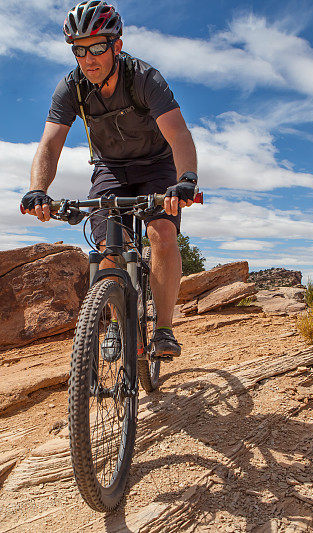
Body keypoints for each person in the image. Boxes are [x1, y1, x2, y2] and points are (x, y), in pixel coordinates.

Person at [21, 0, 198, 359]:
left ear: (116, 45)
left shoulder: (145, 79)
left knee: (161, 234)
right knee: (108, 251)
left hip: (157, 166)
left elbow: (178, 134)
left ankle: (163, 329)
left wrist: (186, 180)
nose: (88, 58)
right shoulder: (72, 87)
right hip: (110, 171)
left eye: (97, 47)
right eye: (79, 50)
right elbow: (50, 143)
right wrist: (38, 189)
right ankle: (117, 322)